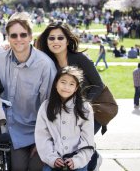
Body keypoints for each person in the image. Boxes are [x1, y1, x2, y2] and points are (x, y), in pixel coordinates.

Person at [0, 13, 57, 171]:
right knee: (18, 167)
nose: (19, 39)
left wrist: (45, 140)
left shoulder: (45, 65)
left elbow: (50, 105)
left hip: (37, 130)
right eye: (14, 35)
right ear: (8, 38)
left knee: (36, 168)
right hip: (11, 130)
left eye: (23, 35)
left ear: (31, 37)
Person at [36, 21, 105, 170]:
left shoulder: (80, 58)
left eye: (60, 38)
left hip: (86, 111)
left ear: (67, 40)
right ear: (46, 41)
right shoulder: (48, 61)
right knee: (62, 147)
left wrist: (79, 104)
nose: (56, 41)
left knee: (79, 147)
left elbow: (99, 85)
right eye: (51, 38)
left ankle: (92, 159)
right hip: (62, 112)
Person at [35, 66, 95, 171]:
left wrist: (77, 160)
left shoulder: (85, 108)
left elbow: (88, 139)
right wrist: (52, 158)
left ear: (76, 88)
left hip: (78, 161)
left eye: (71, 84)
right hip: (54, 161)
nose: (66, 87)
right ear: (56, 83)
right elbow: (42, 137)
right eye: (63, 82)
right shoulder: (46, 107)